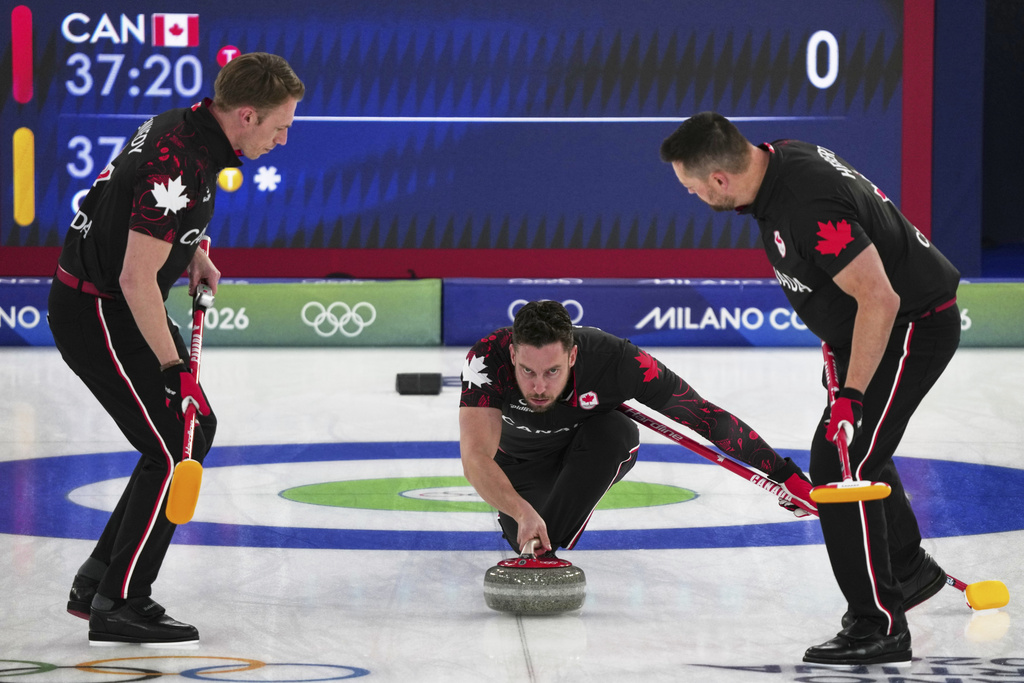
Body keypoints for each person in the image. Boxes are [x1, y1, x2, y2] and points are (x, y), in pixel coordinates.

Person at [659, 112, 961, 666]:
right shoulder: (778, 162)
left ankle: (879, 625)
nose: (694, 196)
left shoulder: (805, 203)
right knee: (863, 446)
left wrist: (852, 395)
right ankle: (909, 571)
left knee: (841, 459)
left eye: (692, 187)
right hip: (872, 329)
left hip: (909, 327)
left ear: (720, 179)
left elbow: (880, 300)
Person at [48, 52, 304, 646]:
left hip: (110, 304)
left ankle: (96, 582)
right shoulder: (183, 161)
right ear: (245, 115)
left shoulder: (186, 126)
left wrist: (188, 250)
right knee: (176, 445)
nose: (284, 138)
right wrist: (173, 369)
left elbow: (128, 208)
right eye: (279, 125)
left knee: (191, 432)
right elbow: (137, 280)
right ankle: (121, 601)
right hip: (102, 313)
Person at [459, 300, 816, 563]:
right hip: (518, 466)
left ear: (572, 357)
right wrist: (521, 512)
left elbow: (704, 416)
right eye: (527, 371)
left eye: (551, 371)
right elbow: (476, 457)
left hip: (581, 456)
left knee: (617, 431)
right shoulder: (487, 360)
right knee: (522, 522)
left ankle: (545, 550)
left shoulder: (617, 362)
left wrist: (783, 473)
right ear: (512, 354)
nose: (538, 386)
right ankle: (535, 525)